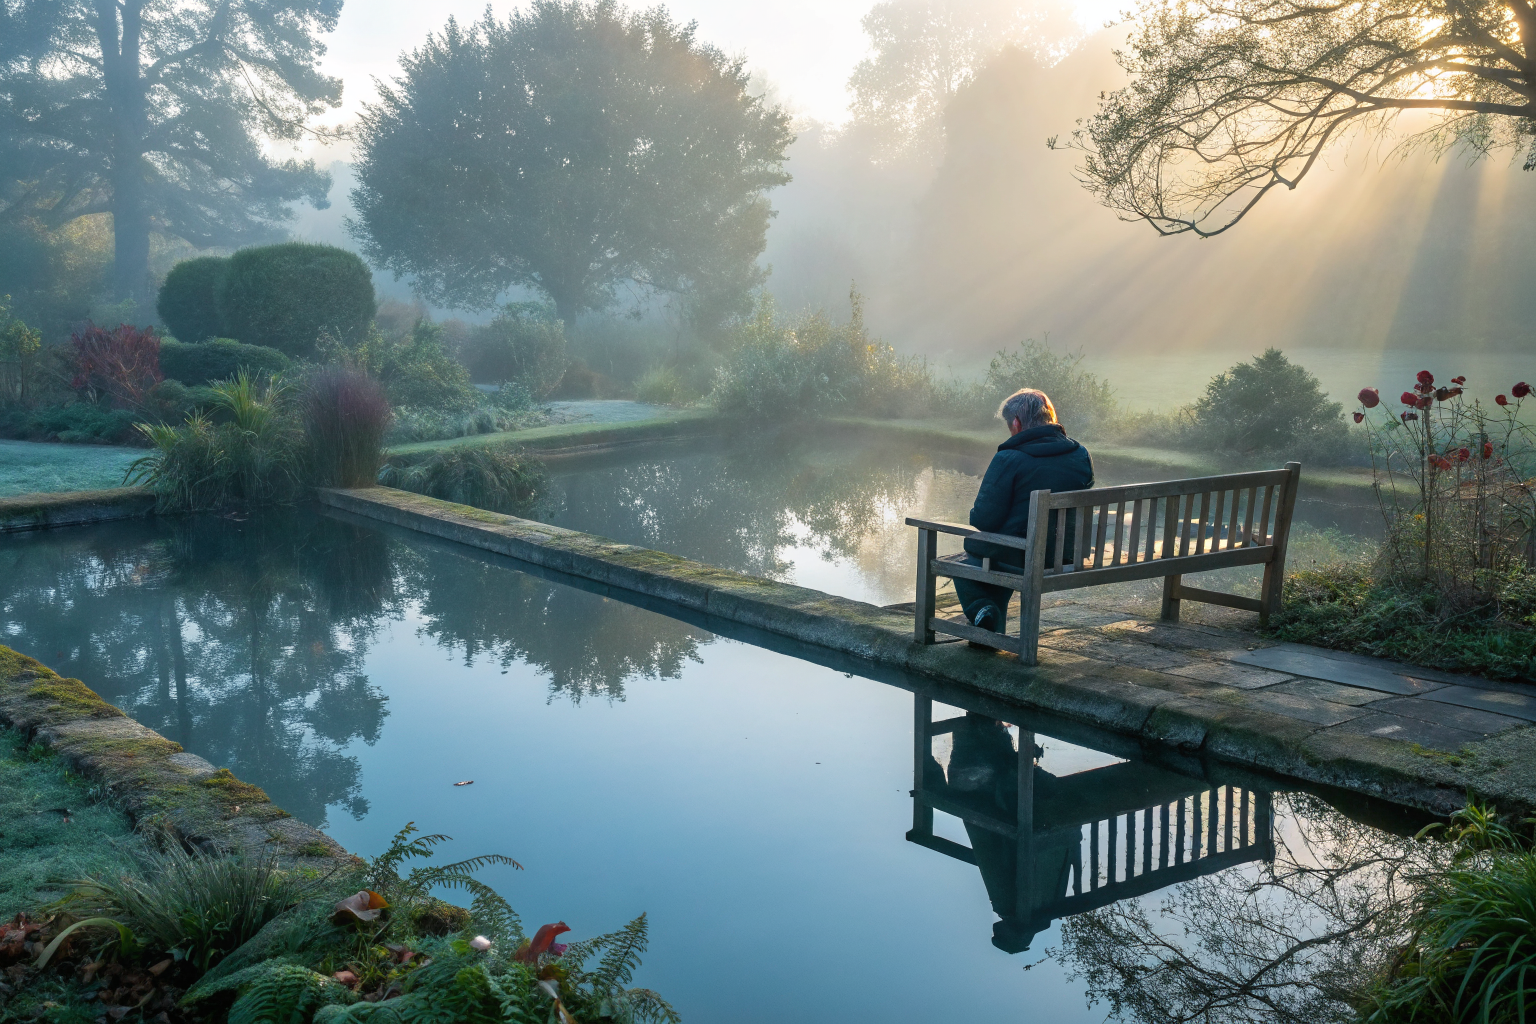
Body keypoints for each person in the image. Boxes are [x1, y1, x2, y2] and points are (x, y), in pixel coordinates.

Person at [944, 388, 1093, 635]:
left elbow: (984, 520)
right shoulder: (1081, 454)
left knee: (969, 556)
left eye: (1008, 424)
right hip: (1068, 553)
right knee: (996, 552)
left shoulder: (1010, 458)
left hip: (1027, 556)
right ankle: (987, 621)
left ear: (1016, 423)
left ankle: (984, 612)